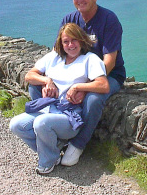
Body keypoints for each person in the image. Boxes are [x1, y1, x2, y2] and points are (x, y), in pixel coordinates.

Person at [29, 0, 126, 167]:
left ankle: (78, 143)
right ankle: (52, 133)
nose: (80, 0)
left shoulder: (109, 19)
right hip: (76, 75)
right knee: (36, 85)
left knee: (94, 98)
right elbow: (58, 51)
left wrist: (85, 86)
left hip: (109, 74)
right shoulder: (69, 19)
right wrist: (49, 79)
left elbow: (110, 60)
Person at [10, 23, 109, 174]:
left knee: (41, 123)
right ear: (61, 43)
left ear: (81, 41)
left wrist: (78, 87)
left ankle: (46, 162)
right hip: (49, 109)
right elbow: (29, 75)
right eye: (66, 41)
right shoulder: (53, 57)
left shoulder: (90, 59)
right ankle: (52, 152)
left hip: (70, 117)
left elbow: (103, 85)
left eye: (74, 40)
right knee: (16, 125)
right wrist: (47, 81)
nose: (70, 45)